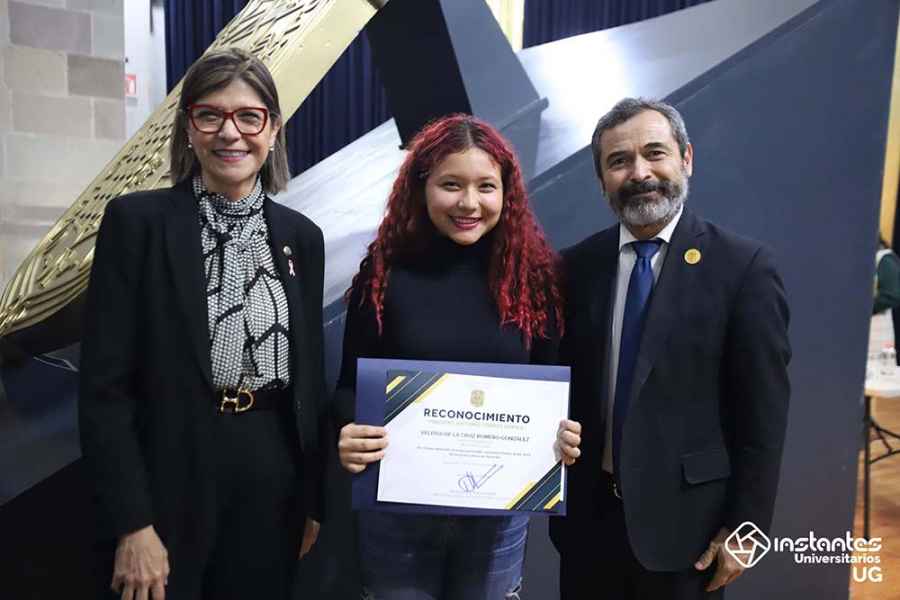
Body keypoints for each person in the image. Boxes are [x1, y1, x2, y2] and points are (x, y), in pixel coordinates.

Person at [79, 48, 327, 600]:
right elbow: (104, 391)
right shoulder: (136, 223)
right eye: (210, 115)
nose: (230, 133)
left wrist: (313, 499)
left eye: (249, 117)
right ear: (188, 129)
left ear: (273, 129)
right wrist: (133, 524)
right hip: (169, 468)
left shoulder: (301, 238)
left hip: (272, 473)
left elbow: (311, 381)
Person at [333, 113, 582, 599]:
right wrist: (348, 431)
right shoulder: (383, 277)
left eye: (486, 186)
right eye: (451, 184)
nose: (469, 202)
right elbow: (347, 388)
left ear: (506, 193)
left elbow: (554, 390)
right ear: (421, 186)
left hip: (497, 519)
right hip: (396, 514)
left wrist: (565, 433)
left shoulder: (535, 283)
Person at [550, 98, 791, 599]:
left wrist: (746, 529)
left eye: (654, 153)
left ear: (686, 158)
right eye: (619, 161)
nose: (640, 173)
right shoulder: (574, 268)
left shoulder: (742, 268)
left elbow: (763, 414)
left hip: (689, 532)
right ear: (601, 180)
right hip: (588, 530)